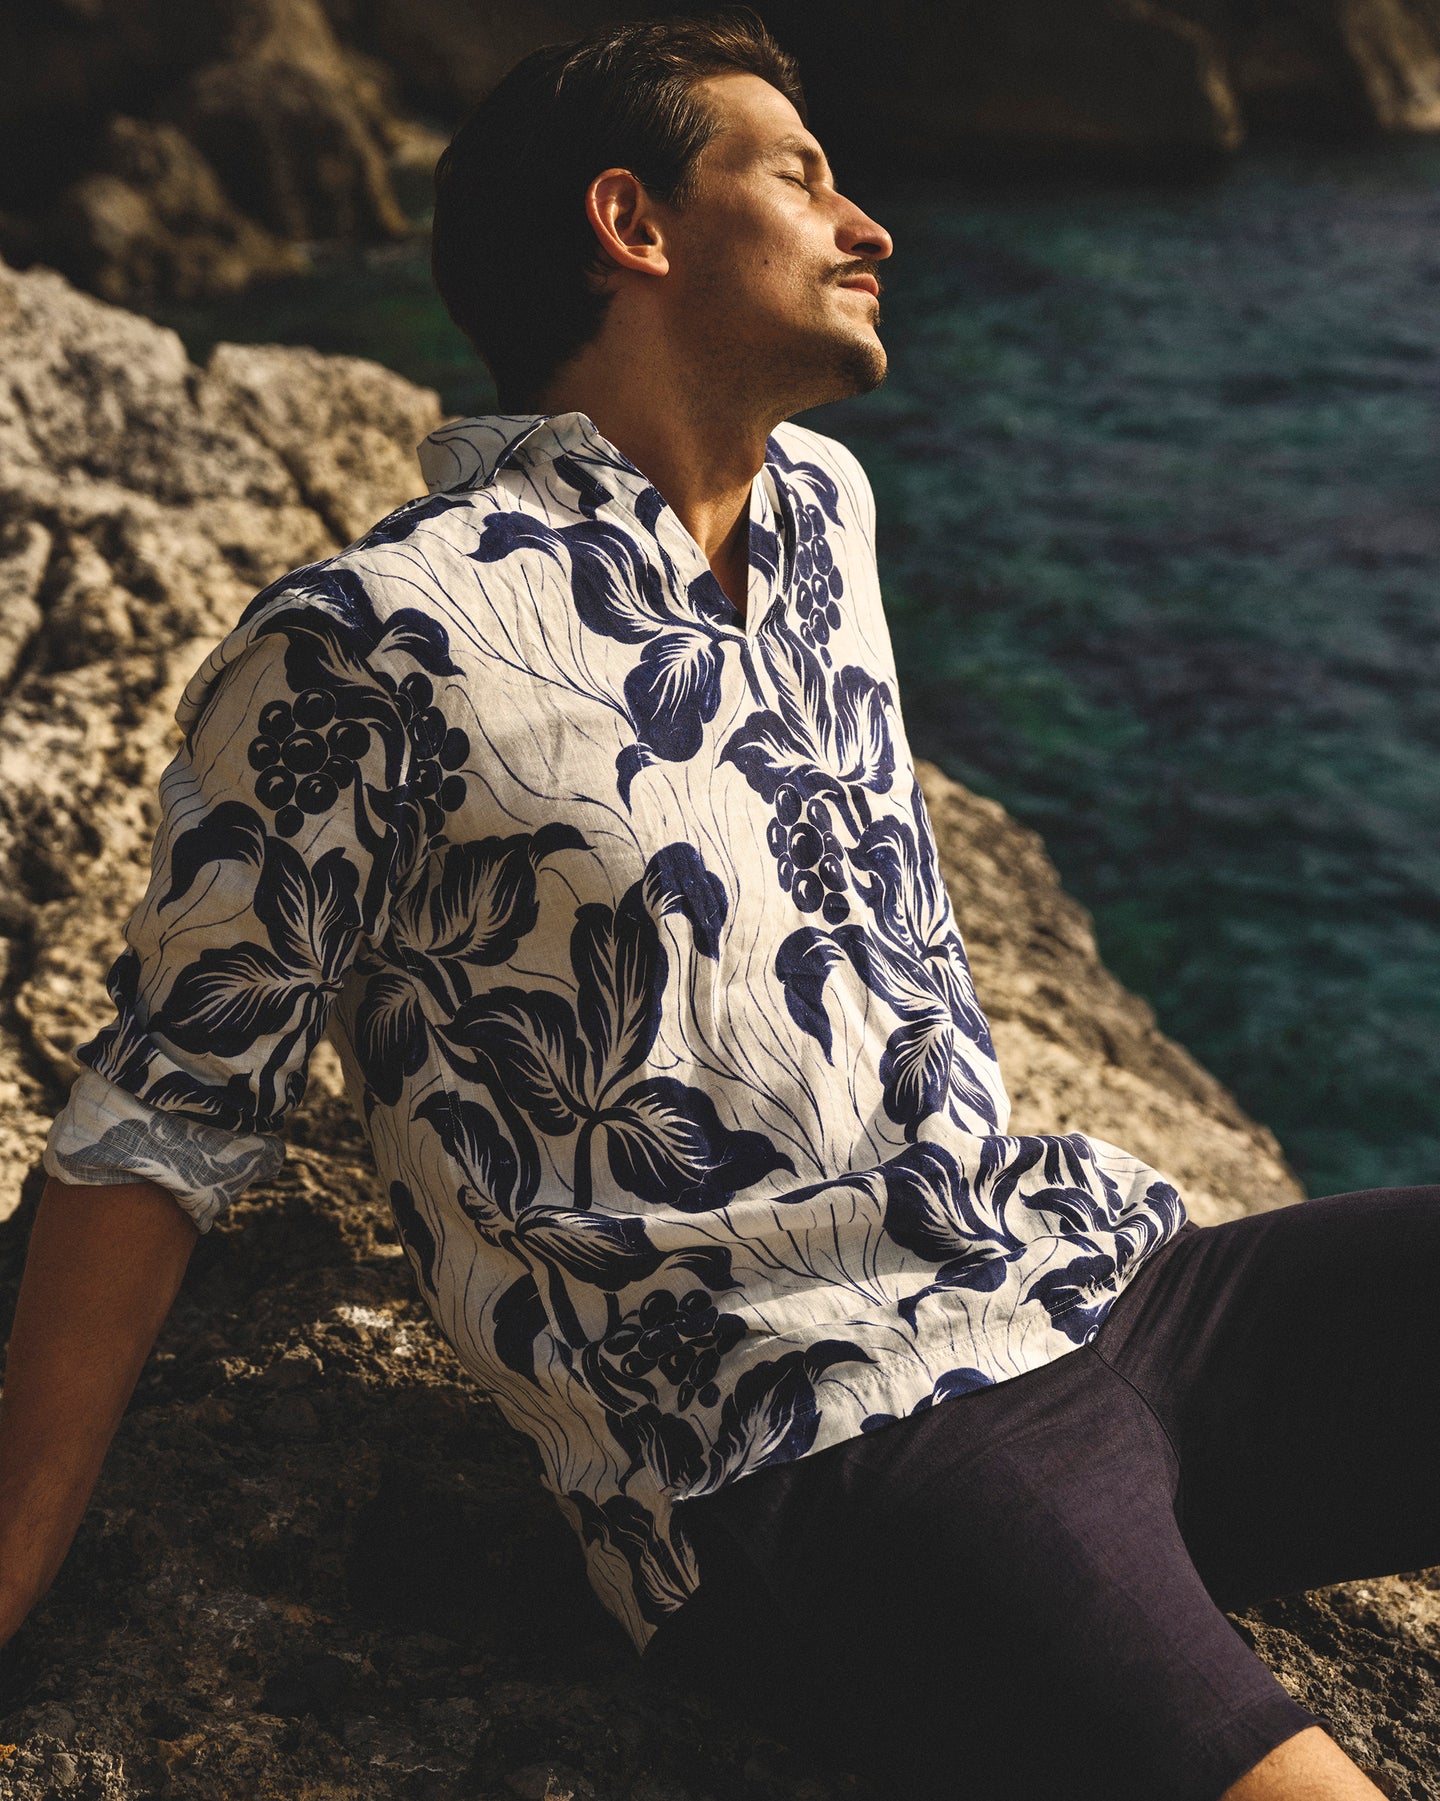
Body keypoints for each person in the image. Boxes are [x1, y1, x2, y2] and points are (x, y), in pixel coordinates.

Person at [0, 11, 1428, 1798]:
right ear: (635, 225)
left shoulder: (826, 507)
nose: (870, 225)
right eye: (802, 176)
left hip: (1092, 1282)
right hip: (820, 1436)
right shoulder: (370, 645)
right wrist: (19, 1563)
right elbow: (168, 1115)